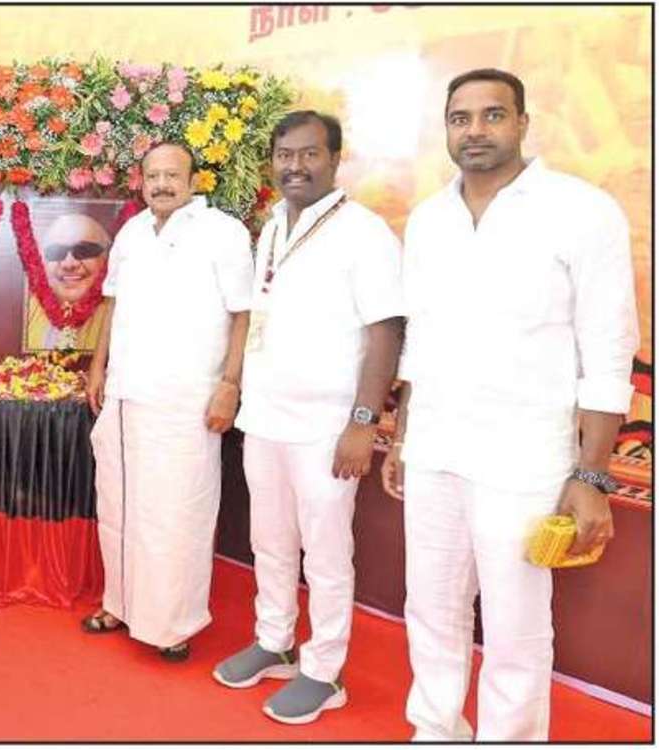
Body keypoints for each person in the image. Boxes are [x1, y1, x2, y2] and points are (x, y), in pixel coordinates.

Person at [383, 69, 638, 741]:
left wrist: (591, 477)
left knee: (515, 627)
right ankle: (435, 728)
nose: (475, 130)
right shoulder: (430, 219)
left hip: (523, 459)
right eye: (460, 118)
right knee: (430, 608)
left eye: (492, 115)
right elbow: (420, 337)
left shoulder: (582, 211)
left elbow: (609, 353)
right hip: (435, 448)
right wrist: (404, 435)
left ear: (523, 122)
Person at [213, 111, 403, 725]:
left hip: (327, 426)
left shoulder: (365, 232)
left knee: (324, 552)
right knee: (269, 540)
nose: (295, 166)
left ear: (335, 159)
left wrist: (363, 422)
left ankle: (324, 670)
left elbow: (386, 332)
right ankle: (274, 641)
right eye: (284, 155)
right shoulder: (273, 225)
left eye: (309, 154)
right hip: (265, 416)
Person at [82, 142, 253, 662]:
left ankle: (172, 624)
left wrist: (231, 384)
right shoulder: (132, 233)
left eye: (172, 175)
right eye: (153, 176)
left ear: (193, 181)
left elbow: (244, 313)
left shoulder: (223, 232)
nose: (162, 184)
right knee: (119, 505)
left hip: (186, 402)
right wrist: (98, 366)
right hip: (125, 393)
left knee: (176, 515)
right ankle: (119, 603)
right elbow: (113, 305)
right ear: (141, 182)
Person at [23, 213, 112, 351]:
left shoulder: (122, 314)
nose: (69, 264)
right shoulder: (22, 315)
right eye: (56, 252)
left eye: (84, 251)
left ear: (106, 258)